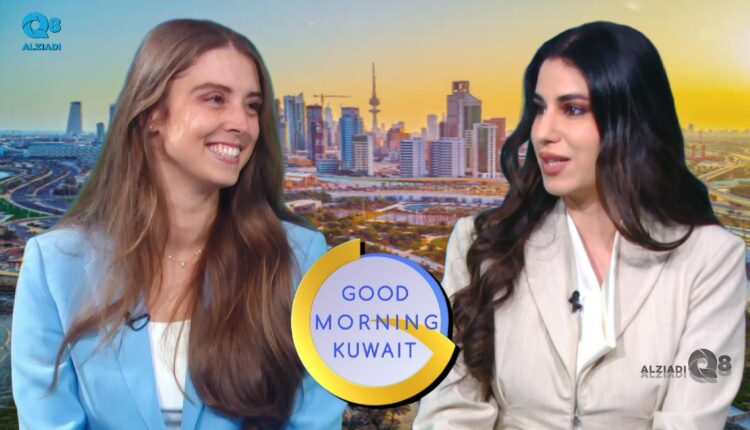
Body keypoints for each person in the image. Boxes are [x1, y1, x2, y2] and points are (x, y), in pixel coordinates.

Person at [12, 19, 345, 430]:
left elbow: (314, 421)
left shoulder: (302, 259)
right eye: (215, 99)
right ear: (153, 113)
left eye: (252, 106)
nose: (241, 123)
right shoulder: (54, 267)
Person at [415, 21, 746, 429]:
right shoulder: (481, 244)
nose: (542, 132)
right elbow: (449, 412)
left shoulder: (710, 259)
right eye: (539, 108)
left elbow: (690, 420)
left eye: (572, 109)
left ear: (632, 120)